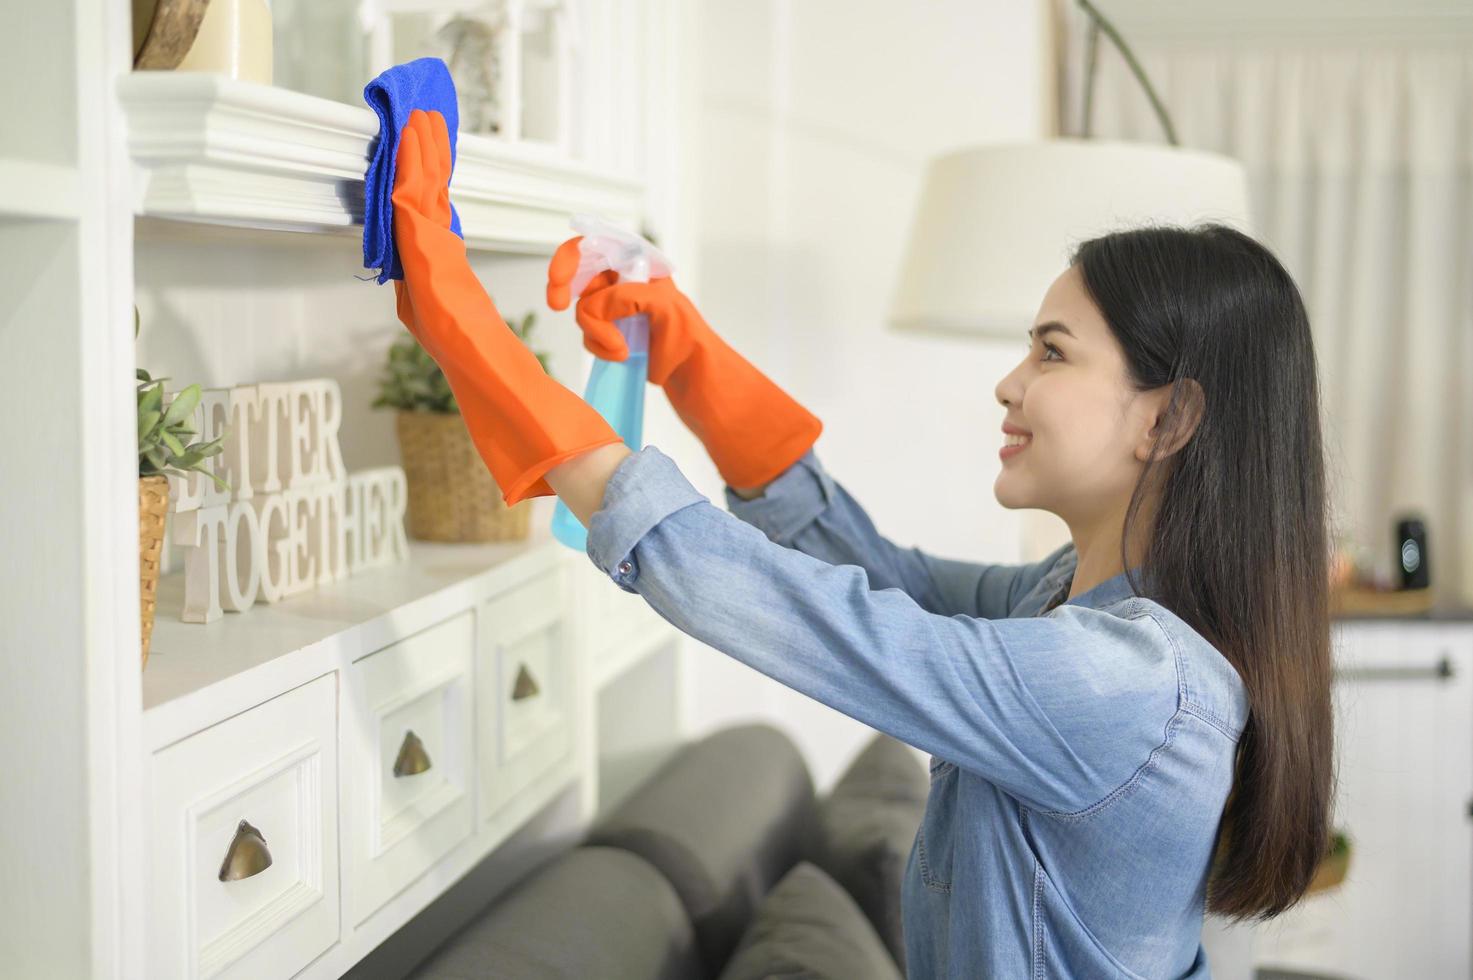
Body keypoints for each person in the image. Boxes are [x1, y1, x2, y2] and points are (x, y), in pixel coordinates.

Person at [389, 108, 1334, 978]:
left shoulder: (1121, 683)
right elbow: (879, 577)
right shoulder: (1072, 604)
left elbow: (836, 622)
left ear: (1166, 422)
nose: (1008, 384)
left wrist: (460, 317)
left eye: (1051, 352)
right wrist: (684, 351)